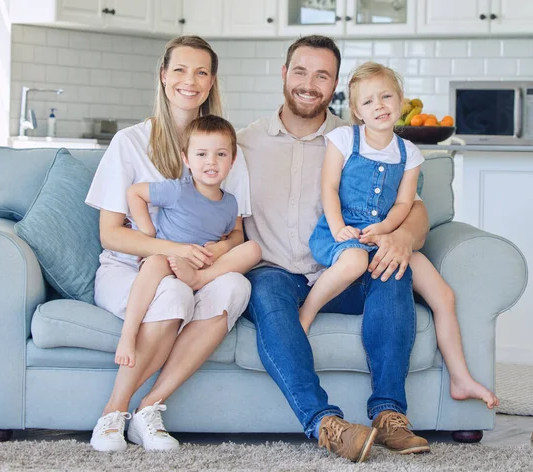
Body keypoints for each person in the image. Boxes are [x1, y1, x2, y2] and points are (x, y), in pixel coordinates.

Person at [238, 35, 431, 463]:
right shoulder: (244, 142)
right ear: (284, 74)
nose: (310, 83)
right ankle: (327, 424)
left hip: (345, 269)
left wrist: (401, 237)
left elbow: (414, 205)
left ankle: (389, 415)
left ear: (336, 84)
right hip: (276, 273)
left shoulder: (360, 138)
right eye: (301, 71)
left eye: (322, 75)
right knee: (267, 292)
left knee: (393, 271)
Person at [85, 36, 252, 453]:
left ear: (212, 82)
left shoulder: (226, 148)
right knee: (173, 292)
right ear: (163, 77)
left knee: (237, 287)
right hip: (128, 269)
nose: (189, 81)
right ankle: (113, 412)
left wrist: (209, 255)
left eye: (200, 72)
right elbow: (110, 233)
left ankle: (150, 408)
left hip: (196, 266)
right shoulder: (129, 143)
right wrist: (171, 251)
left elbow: (237, 233)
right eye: (179, 70)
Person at [301, 61, 498, 410]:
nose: (379, 105)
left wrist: (385, 229)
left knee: (443, 294)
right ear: (356, 111)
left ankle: (460, 377)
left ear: (401, 100)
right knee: (353, 261)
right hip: (340, 231)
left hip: (384, 235)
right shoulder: (345, 139)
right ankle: (305, 314)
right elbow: (328, 188)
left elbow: (406, 203)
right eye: (368, 101)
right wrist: (338, 229)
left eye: (387, 96)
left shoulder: (409, 153)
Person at [115, 115, 261, 368]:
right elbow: (134, 192)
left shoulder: (230, 202)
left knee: (253, 248)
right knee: (153, 265)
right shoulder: (177, 189)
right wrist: (148, 231)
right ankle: (129, 334)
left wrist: (223, 247)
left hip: (205, 266)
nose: (211, 162)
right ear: (186, 159)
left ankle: (198, 281)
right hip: (170, 261)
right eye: (201, 154)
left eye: (221, 155)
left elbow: (237, 234)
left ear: (232, 160)